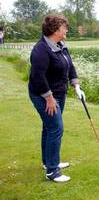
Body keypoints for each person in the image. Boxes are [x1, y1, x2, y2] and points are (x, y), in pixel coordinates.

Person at [28, 14, 85, 183]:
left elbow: (70, 65)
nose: (66, 29)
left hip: (59, 93)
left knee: (49, 128)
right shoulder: (41, 50)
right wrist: (49, 98)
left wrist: (76, 86)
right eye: (64, 27)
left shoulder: (60, 45)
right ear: (55, 30)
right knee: (55, 128)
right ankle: (52, 171)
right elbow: (38, 77)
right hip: (42, 94)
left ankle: (49, 162)